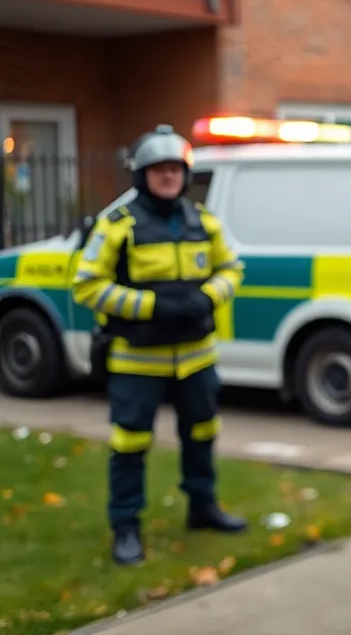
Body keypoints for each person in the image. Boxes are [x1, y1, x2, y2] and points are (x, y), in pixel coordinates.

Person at [72, 125, 247, 566]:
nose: (168, 176)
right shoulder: (118, 225)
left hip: (197, 358)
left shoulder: (203, 220)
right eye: (158, 169)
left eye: (175, 169)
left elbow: (232, 268)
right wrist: (149, 306)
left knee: (202, 434)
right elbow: (86, 285)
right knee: (129, 444)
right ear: (141, 175)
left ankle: (203, 507)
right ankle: (126, 527)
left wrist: (206, 297)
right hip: (137, 361)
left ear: (185, 175)